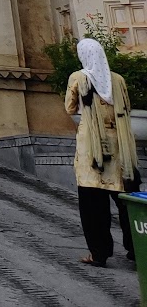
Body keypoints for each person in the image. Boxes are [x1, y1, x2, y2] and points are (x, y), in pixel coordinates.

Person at [65, 37, 139, 266]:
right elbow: (127, 107)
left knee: (93, 204)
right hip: (120, 147)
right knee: (126, 201)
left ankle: (99, 253)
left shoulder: (79, 78)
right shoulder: (118, 81)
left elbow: (69, 107)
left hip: (92, 149)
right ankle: (136, 250)